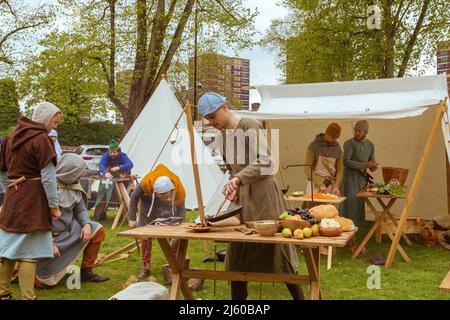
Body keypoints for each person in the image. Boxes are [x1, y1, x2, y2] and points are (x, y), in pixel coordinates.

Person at [198, 92, 304, 300]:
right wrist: (233, 185)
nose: (211, 122)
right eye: (208, 119)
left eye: (213, 116)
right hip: (243, 201)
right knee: (237, 255)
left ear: (225, 108)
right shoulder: (221, 138)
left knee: (278, 252)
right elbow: (233, 170)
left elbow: (266, 162)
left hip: (265, 197)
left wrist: (238, 179)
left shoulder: (249, 126)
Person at [0, 101, 62, 300]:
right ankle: (28, 297)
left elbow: (2, 172)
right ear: (45, 118)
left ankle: (3, 294)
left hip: (13, 198)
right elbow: (49, 177)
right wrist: (54, 205)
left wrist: (9, 192)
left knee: (8, 249)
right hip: (34, 200)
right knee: (30, 253)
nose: (55, 125)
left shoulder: (9, 138)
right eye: (55, 120)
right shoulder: (42, 139)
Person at [36, 154, 109, 287]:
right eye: (79, 173)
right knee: (43, 283)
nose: (80, 177)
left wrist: (86, 224)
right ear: (69, 171)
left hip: (69, 231)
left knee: (97, 229)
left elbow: (80, 210)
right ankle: (24, 272)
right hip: (45, 237)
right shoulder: (45, 187)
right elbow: (36, 221)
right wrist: (48, 244)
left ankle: (86, 271)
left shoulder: (74, 186)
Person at [128, 164, 186, 279]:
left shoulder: (179, 189)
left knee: (174, 237)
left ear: (172, 191)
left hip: (168, 211)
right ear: (155, 192)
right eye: (162, 196)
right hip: (148, 206)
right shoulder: (146, 183)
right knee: (145, 237)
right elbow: (134, 197)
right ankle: (146, 266)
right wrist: (132, 218)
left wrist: (181, 225)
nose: (164, 198)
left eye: (166, 196)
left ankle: (173, 266)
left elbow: (181, 208)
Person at [341, 120, 378, 227]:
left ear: (366, 132)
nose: (356, 133)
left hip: (361, 180)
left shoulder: (370, 145)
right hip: (349, 178)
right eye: (355, 130)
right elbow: (346, 161)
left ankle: (356, 227)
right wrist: (366, 165)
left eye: (359, 131)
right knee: (350, 203)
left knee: (359, 203)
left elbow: (371, 162)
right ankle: (346, 227)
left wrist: (373, 167)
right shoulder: (350, 143)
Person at [94, 139, 134, 221]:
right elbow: (101, 164)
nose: (112, 154)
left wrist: (119, 167)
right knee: (103, 195)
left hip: (123, 180)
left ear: (118, 151)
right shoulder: (106, 155)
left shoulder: (123, 156)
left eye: (114, 152)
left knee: (122, 197)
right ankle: (99, 216)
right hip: (109, 179)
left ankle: (124, 216)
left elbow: (130, 164)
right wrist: (105, 173)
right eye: (111, 152)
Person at [304, 122, 344, 196]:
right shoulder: (314, 146)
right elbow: (307, 168)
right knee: (314, 207)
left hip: (330, 184)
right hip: (315, 184)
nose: (333, 140)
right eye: (331, 137)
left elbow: (340, 169)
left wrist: (336, 186)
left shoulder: (337, 148)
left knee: (329, 207)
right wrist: (320, 184)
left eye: (335, 138)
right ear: (327, 133)